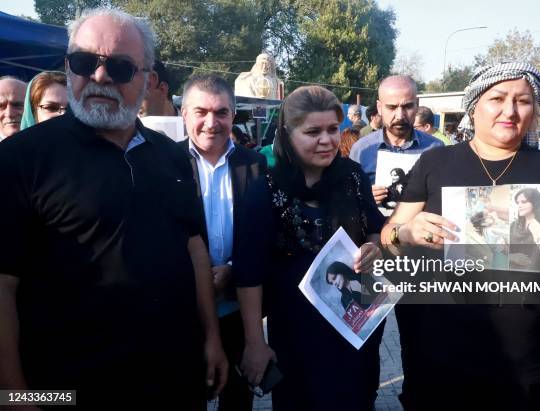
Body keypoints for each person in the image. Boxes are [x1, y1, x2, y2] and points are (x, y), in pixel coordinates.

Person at [0, 8, 227, 410]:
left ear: (147, 79)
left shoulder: (171, 157)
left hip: (173, 381)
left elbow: (195, 250)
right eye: (85, 62)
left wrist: (211, 339)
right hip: (65, 390)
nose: (100, 76)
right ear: (69, 67)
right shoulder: (22, 158)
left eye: (120, 67)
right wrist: (16, 396)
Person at [381, 62, 540, 410]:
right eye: (497, 98)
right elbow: (387, 237)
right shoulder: (435, 163)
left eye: (523, 101)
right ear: (474, 106)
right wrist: (406, 231)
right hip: (443, 358)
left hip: (534, 361)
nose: (510, 111)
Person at [234, 85, 385, 411]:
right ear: (288, 134)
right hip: (296, 335)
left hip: (355, 328)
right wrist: (254, 343)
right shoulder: (265, 190)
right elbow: (249, 275)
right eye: (313, 131)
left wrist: (375, 248)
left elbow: (375, 230)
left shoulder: (353, 177)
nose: (327, 140)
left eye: (333, 129)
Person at [180, 74, 267, 411]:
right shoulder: (164, 163)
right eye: (201, 111)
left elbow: (260, 239)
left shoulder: (255, 165)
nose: (211, 122)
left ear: (233, 115)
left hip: (236, 308)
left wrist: (233, 270)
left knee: (237, 399)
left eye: (221, 112)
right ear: (184, 113)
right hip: (184, 311)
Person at [349, 75, 443, 205]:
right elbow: (347, 199)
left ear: (417, 105)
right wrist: (363, 196)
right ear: (379, 108)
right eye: (392, 107)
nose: (400, 116)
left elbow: (442, 200)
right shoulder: (361, 150)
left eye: (407, 106)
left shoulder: (435, 148)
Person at [509, 187, 540, 271]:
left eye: (523, 202)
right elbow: (507, 250)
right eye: (518, 202)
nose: (519, 205)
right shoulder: (514, 225)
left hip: (534, 274)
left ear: (535, 203)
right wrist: (514, 257)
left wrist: (537, 235)